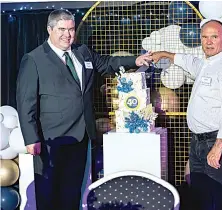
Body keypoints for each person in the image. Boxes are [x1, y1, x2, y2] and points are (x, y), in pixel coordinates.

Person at [16, 9, 152, 210]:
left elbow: (107, 64)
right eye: (62, 29)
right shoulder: (34, 59)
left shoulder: (82, 52)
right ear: (49, 30)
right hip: (51, 139)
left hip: (81, 135)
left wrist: (135, 61)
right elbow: (25, 102)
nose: (67, 34)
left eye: (71, 29)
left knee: (72, 193)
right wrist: (31, 139)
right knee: (49, 193)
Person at [151, 20, 222, 210]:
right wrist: (163, 54)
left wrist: (218, 147)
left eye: (214, 37)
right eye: (204, 37)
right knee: (201, 198)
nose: (208, 42)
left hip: (217, 143)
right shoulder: (205, 64)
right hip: (198, 143)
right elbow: (187, 60)